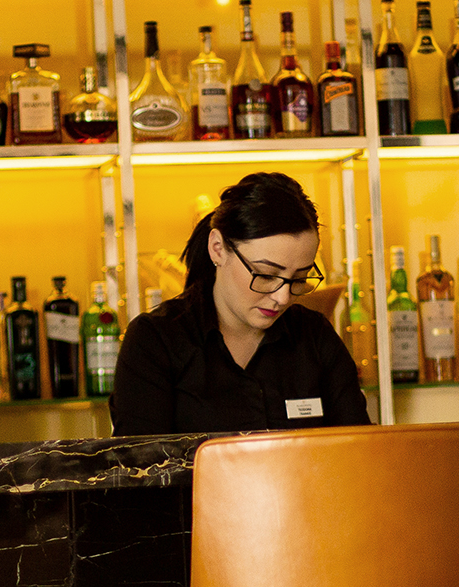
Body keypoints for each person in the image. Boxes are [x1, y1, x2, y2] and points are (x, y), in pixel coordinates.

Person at [111, 172, 370, 436]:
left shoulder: (315, 337)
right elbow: (139, 459)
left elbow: (360, 449)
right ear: (218, 248)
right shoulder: (156, 341)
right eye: (265, 275)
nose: (282, 297)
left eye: (299, 279)